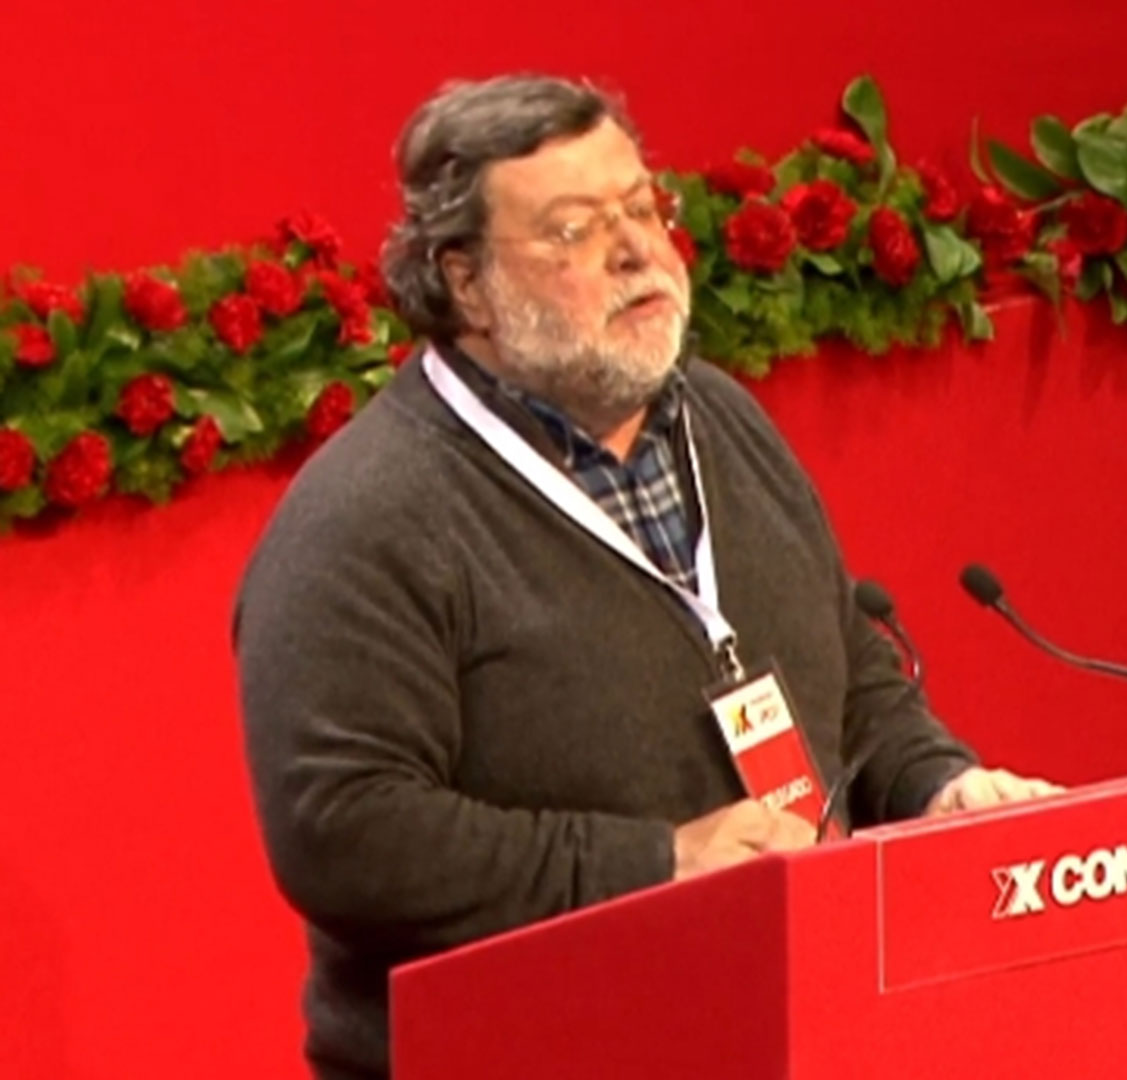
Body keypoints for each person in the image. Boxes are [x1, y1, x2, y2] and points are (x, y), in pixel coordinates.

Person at [232, 74, 1059, 1080]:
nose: (636, 252)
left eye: (639, 208)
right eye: (573, 231)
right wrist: (658, 863)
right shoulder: (367, 520)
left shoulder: (719, 419)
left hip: (790, 1030)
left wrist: (937, 786)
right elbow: (344, 831)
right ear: (466, 283)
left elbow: (841, 668)